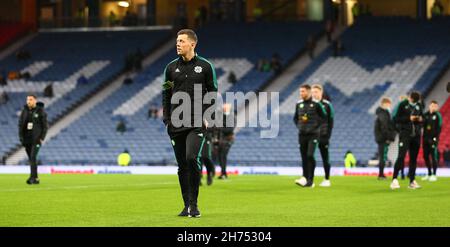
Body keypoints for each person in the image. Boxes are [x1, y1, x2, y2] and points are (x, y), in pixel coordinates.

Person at [162, 29, 217, 218]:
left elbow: (212, 92)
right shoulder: (170, 68)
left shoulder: (206, 66)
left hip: (196, 122)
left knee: (192, 158)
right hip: (176, 123)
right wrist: (167, 119)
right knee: (181, 166)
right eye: (177, 41)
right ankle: (186, 206)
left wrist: (208, 115)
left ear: (192, 44)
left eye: (182, 41)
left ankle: (194, 205)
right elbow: (166, 93)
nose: (178, 44)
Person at [294, 84, 327, 188]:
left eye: (303, 91)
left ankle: (311, 180)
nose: (301, 93)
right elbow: (295, 118)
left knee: (310, 155)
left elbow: (324, 116)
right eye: (300, 92)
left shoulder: (316, 104)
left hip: (313, 135)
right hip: (302, 135)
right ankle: (304, 178)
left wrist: (315, 127)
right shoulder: (299, 104)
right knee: (304, 157)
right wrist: (300, 126)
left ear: (308, 92)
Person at [390, 91, 424, 190]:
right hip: (405, 134)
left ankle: (412, 181)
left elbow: (422, 118)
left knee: (413, 159)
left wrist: (420, 120)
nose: (411, 100)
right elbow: (395, 119)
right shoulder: (402, 104)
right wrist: (408, 118)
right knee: (401, 156)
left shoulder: (419, 105)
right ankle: (394, 179)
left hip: (416, 135)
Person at [18, 94, 48, 185]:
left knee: (32, 157)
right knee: (31, 159)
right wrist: (21, 138)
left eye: (30, 99)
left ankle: (32, 178)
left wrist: (42, 138)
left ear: (35, 100)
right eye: (27, 99)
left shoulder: (40, 111)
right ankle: (35, 178)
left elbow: (45, 126)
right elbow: (20, 125)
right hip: (27, 139)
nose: (28, 101)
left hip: (36, 139)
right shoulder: (24, 111)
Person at [311, 84, 334, 187]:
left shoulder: (327, 105)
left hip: (324, 136)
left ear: (321, 92)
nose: (314, 94)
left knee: (325, 158)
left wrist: (327, 136)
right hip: (312, 136)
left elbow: (331, 121)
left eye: (316, 92)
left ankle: (327, 179)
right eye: (312, 92)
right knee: (310, 156)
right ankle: (309, 180)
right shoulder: (310, 104)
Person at [374, 97, 396, 180]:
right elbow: (385, 127)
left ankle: (381, 174)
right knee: (383, 156)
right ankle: (381, 175)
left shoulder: (382, 113)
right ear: (385, 104)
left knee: (383, 156)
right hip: (383, 138)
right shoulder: (383, 114)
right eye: (388, 104)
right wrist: (388, 137)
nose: (389, 106)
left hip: (381, 137)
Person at [422, 101, 442, 182]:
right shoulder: (425, 115)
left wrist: (434, 138)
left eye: (435, 106)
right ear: (429, 106)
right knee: (425, 156)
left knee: (433, 156)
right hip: (425, 139)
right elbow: (422, 125)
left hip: (433, 139)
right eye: (432, 106)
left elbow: (439, 128)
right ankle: (429, 173)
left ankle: (434, 174)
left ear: (437, 107)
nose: (433, 107)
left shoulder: (438, 115)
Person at [217, 103, 235, 180]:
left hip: (228, 139)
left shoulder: (232, 117)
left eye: (225, 106)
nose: (223, 107)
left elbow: (230, 129)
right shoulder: (222, 116)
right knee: (220, 156)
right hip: (221, 140)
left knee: (223, 156)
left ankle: (223, 173)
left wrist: (220, 128)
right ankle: (223, 173)